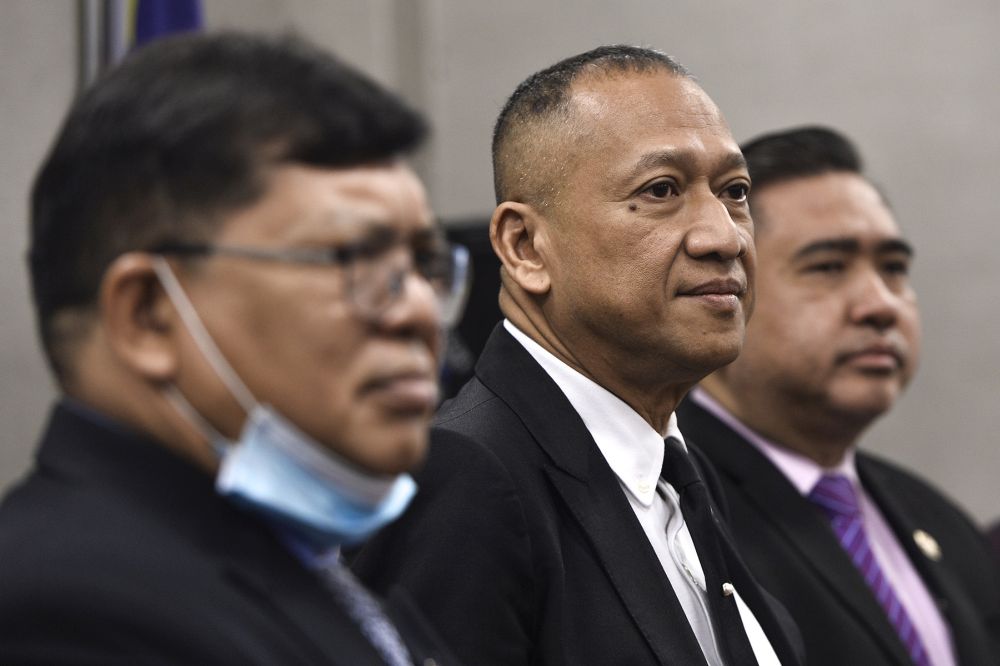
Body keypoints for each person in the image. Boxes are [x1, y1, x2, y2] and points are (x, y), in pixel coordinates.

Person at [0, 32, 468, 665]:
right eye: (351, 259)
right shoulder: (70, 610)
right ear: (148, 315)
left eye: (423, 263)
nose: (417, 309)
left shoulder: (302, 567)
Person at [351, 45, 803, 665]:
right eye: (662, 189)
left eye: (735, 191)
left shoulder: (679, 476)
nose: (723, 235)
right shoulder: (466, 479)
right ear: (525, 246)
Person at [676, 126, 1000, 665]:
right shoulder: (670, 513)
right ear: (727, 285)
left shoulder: (940, 520)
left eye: (894, 269)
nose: (880, 305)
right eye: (827, 267)